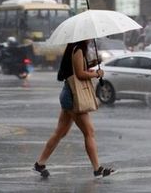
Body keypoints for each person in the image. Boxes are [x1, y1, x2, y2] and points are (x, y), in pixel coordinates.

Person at [34, 39, 117, 178]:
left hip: (68, 94)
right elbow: (80, 74)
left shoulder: (75, 49)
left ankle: (40, 164)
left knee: (60, 133)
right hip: (73, 96)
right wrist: (97, 74)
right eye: (89, 36)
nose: (91, 38)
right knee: (89, 132)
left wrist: (91, 64)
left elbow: (78, 70)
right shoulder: (78, 49)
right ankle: (98, 169)